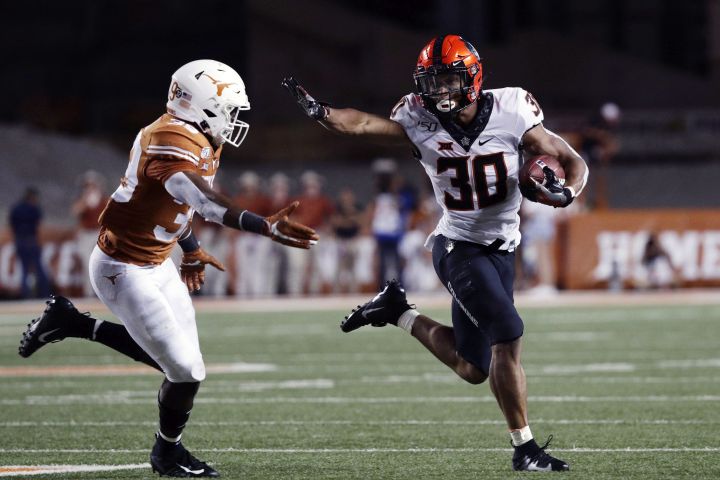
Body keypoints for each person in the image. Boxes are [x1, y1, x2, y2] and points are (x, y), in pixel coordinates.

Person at [283, 34, 588, 472]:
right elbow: (364, 124)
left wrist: (568, 194)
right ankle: (525, 448)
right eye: (433, 81)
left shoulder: (513, 110)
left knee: (472, 367)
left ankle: (397, 312)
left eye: (448, 80)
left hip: (503, 248)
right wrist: (322, 113)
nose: (440, 91)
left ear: (473, 76)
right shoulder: (417, 116)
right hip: (458, 246)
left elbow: (572, 159)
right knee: (507, 331)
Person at [18, 59, 319, 478]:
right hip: (120, 267)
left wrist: (191, 249)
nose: (233, 119)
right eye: (229, 109)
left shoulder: (198, 137)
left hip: (156, 261)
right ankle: (166, 454)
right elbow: (201, 199)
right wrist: (262, 225)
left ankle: (70, 323)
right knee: (185, 371)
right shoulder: (169, 139)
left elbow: (173, 208)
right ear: (203, 105)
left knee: (183, 367)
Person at [71, 170, 108, 297]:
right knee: (86, 263)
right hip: (86, 234)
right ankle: (89, 292)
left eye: (92, 185)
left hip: (99, 233)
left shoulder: (103, 199)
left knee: (101, 262)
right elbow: (75, 211)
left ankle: (103, 292)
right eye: (87, 185)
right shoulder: (83, 199)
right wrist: (85, 201)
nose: (89, 187)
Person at [9, 187, 51, 299]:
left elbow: (12, 227)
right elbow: (38, 227)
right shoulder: (34, 208)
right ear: (32, 197)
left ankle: (25, 295)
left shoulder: (16, 208)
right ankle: (44, 294)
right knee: (39, 269)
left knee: (24, 270)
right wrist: (40, 242)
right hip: (32, 241)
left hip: (20, 241)